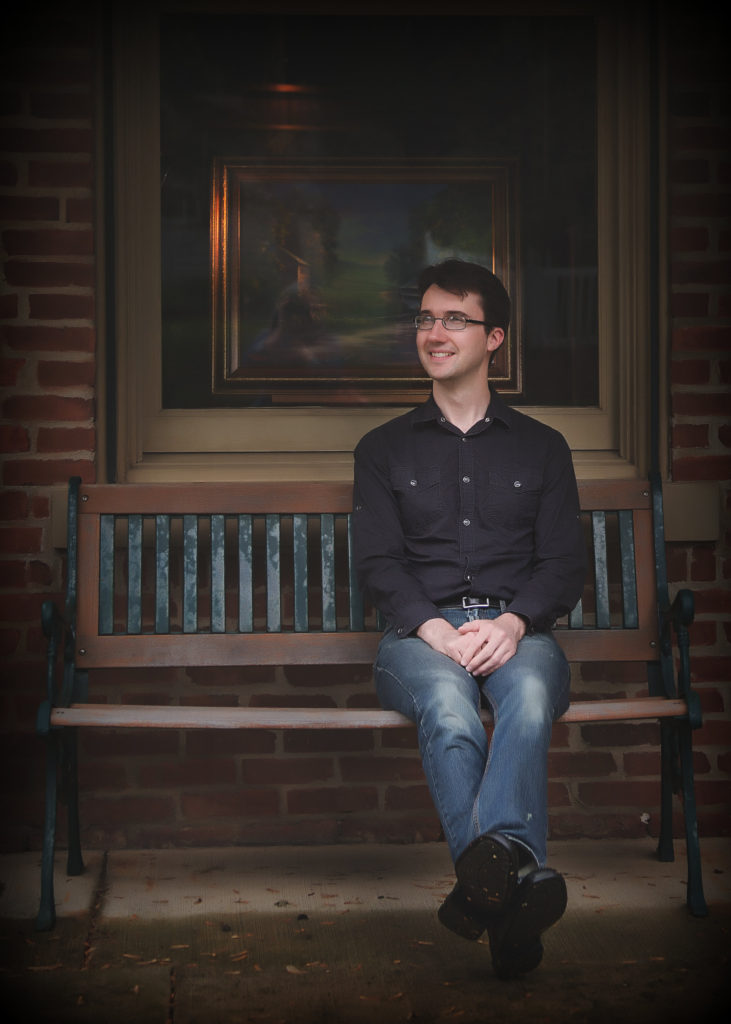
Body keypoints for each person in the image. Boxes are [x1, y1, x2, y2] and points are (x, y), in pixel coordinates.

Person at [352, 258, 586, 979]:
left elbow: (561, 566)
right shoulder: (382, 449)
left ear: (494, 338)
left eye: (453, 318)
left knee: (531, 697)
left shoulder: (541, 447)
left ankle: (489, 902)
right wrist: (436, 630)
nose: (434, 331)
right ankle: (515, 896)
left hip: (521, 633)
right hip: (415, 639)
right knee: (450, 711)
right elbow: (379, 565)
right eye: (425, 318)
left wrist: (512, 624)